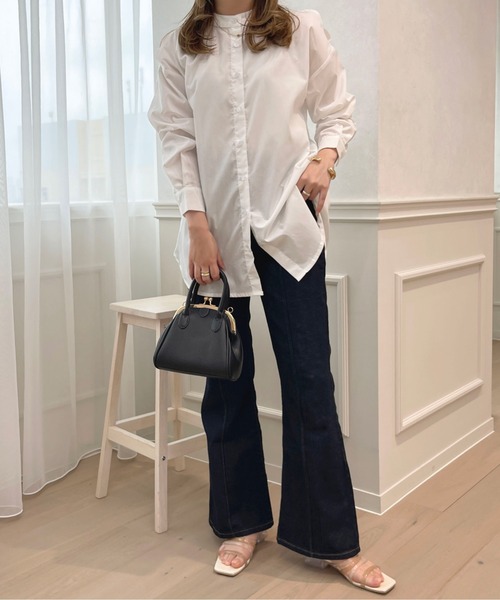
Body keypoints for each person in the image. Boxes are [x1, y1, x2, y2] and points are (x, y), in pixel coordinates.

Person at [149, 0, 396, 594]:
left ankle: (332, 541)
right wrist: (196, 223)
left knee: (310, 380)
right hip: (215, 233)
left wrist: (325, 159)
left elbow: (336, 110)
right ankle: (242, 524)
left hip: (289, 227)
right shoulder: (181, 45)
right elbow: (177, 137)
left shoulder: (300, 27)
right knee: (226, 384)